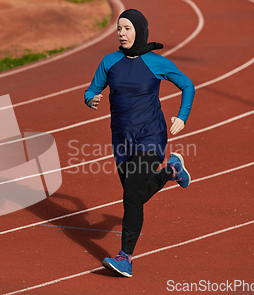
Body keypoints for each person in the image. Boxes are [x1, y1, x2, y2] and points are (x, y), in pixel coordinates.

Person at [84, 9, 195, 277]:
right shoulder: (109, 62)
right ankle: (171, 171)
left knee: (131, 194)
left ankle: (125, 257)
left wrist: (182, 117)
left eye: (127, 28)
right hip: (121, 138)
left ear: (139, 31)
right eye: (119, 29)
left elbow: (188, 86)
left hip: (151, 136)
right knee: (136, 194)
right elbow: (92, 89)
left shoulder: (156, 63)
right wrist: (91, 99)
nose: (121, 33)